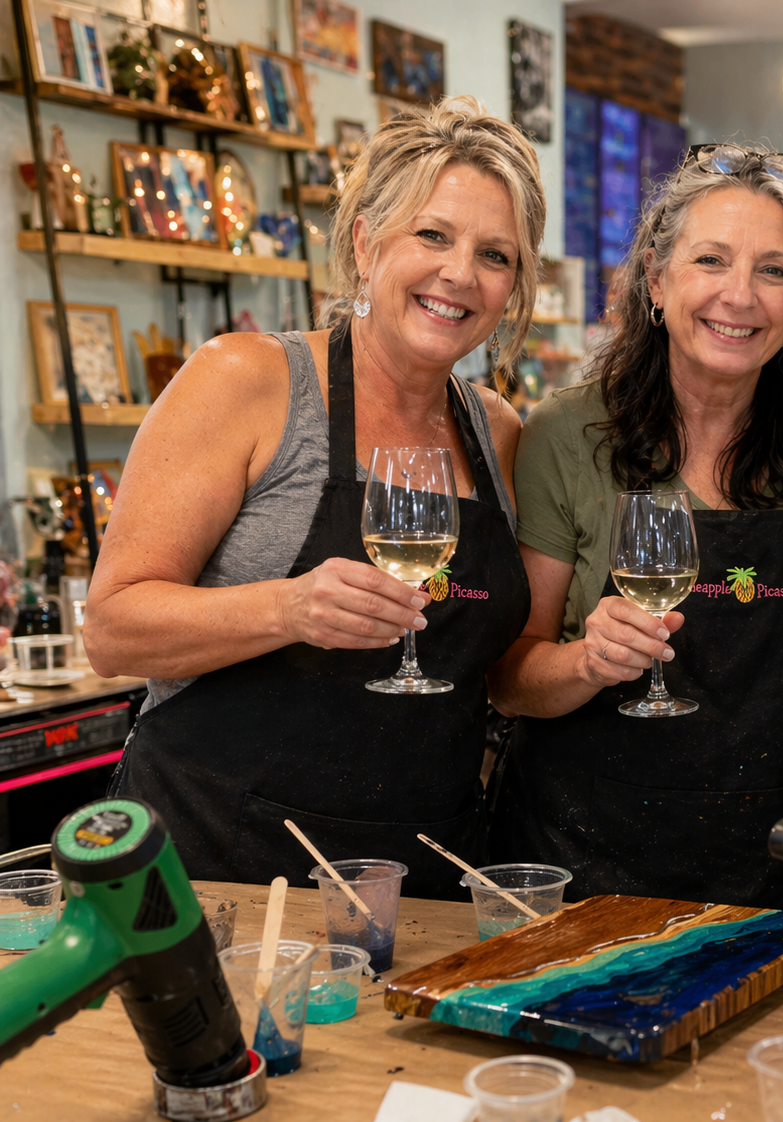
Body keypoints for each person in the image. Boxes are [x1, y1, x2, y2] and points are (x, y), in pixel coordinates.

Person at [84, 97, 541, 897]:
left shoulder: (498, 432)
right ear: (366, 243)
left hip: (419, 876)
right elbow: (113, 629)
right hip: (215, 869)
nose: (459, 274)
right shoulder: (248, 381)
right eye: (431, 235)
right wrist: (287, 610)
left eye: (494, 255)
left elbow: (496, 668)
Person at [487, 144, 783, 910]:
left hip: (773, 861)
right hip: (580, 863)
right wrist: (587, 663)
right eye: (711, 260)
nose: (740, 295)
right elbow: (509, 680)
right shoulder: (569, 433)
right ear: (657, 282)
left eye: (775, 270)